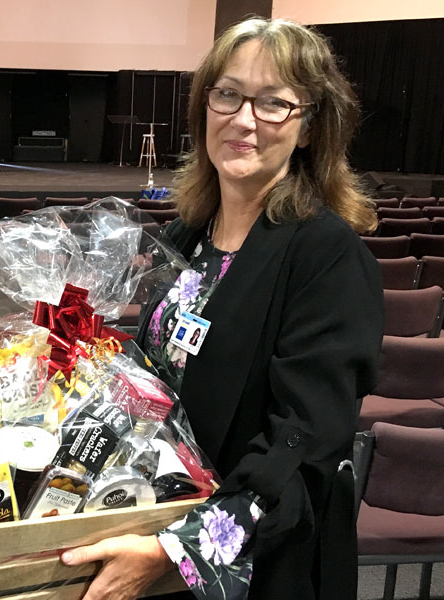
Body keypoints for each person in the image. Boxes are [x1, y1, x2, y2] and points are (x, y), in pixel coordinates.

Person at [61, 18, 382, 600]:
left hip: (256, 561)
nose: (243, 119)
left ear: (309, 127)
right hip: (154, 528)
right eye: (228, 93)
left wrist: (176, 552)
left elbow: (305, 443)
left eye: (274, 103)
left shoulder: (327, 255)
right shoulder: (188, 235)